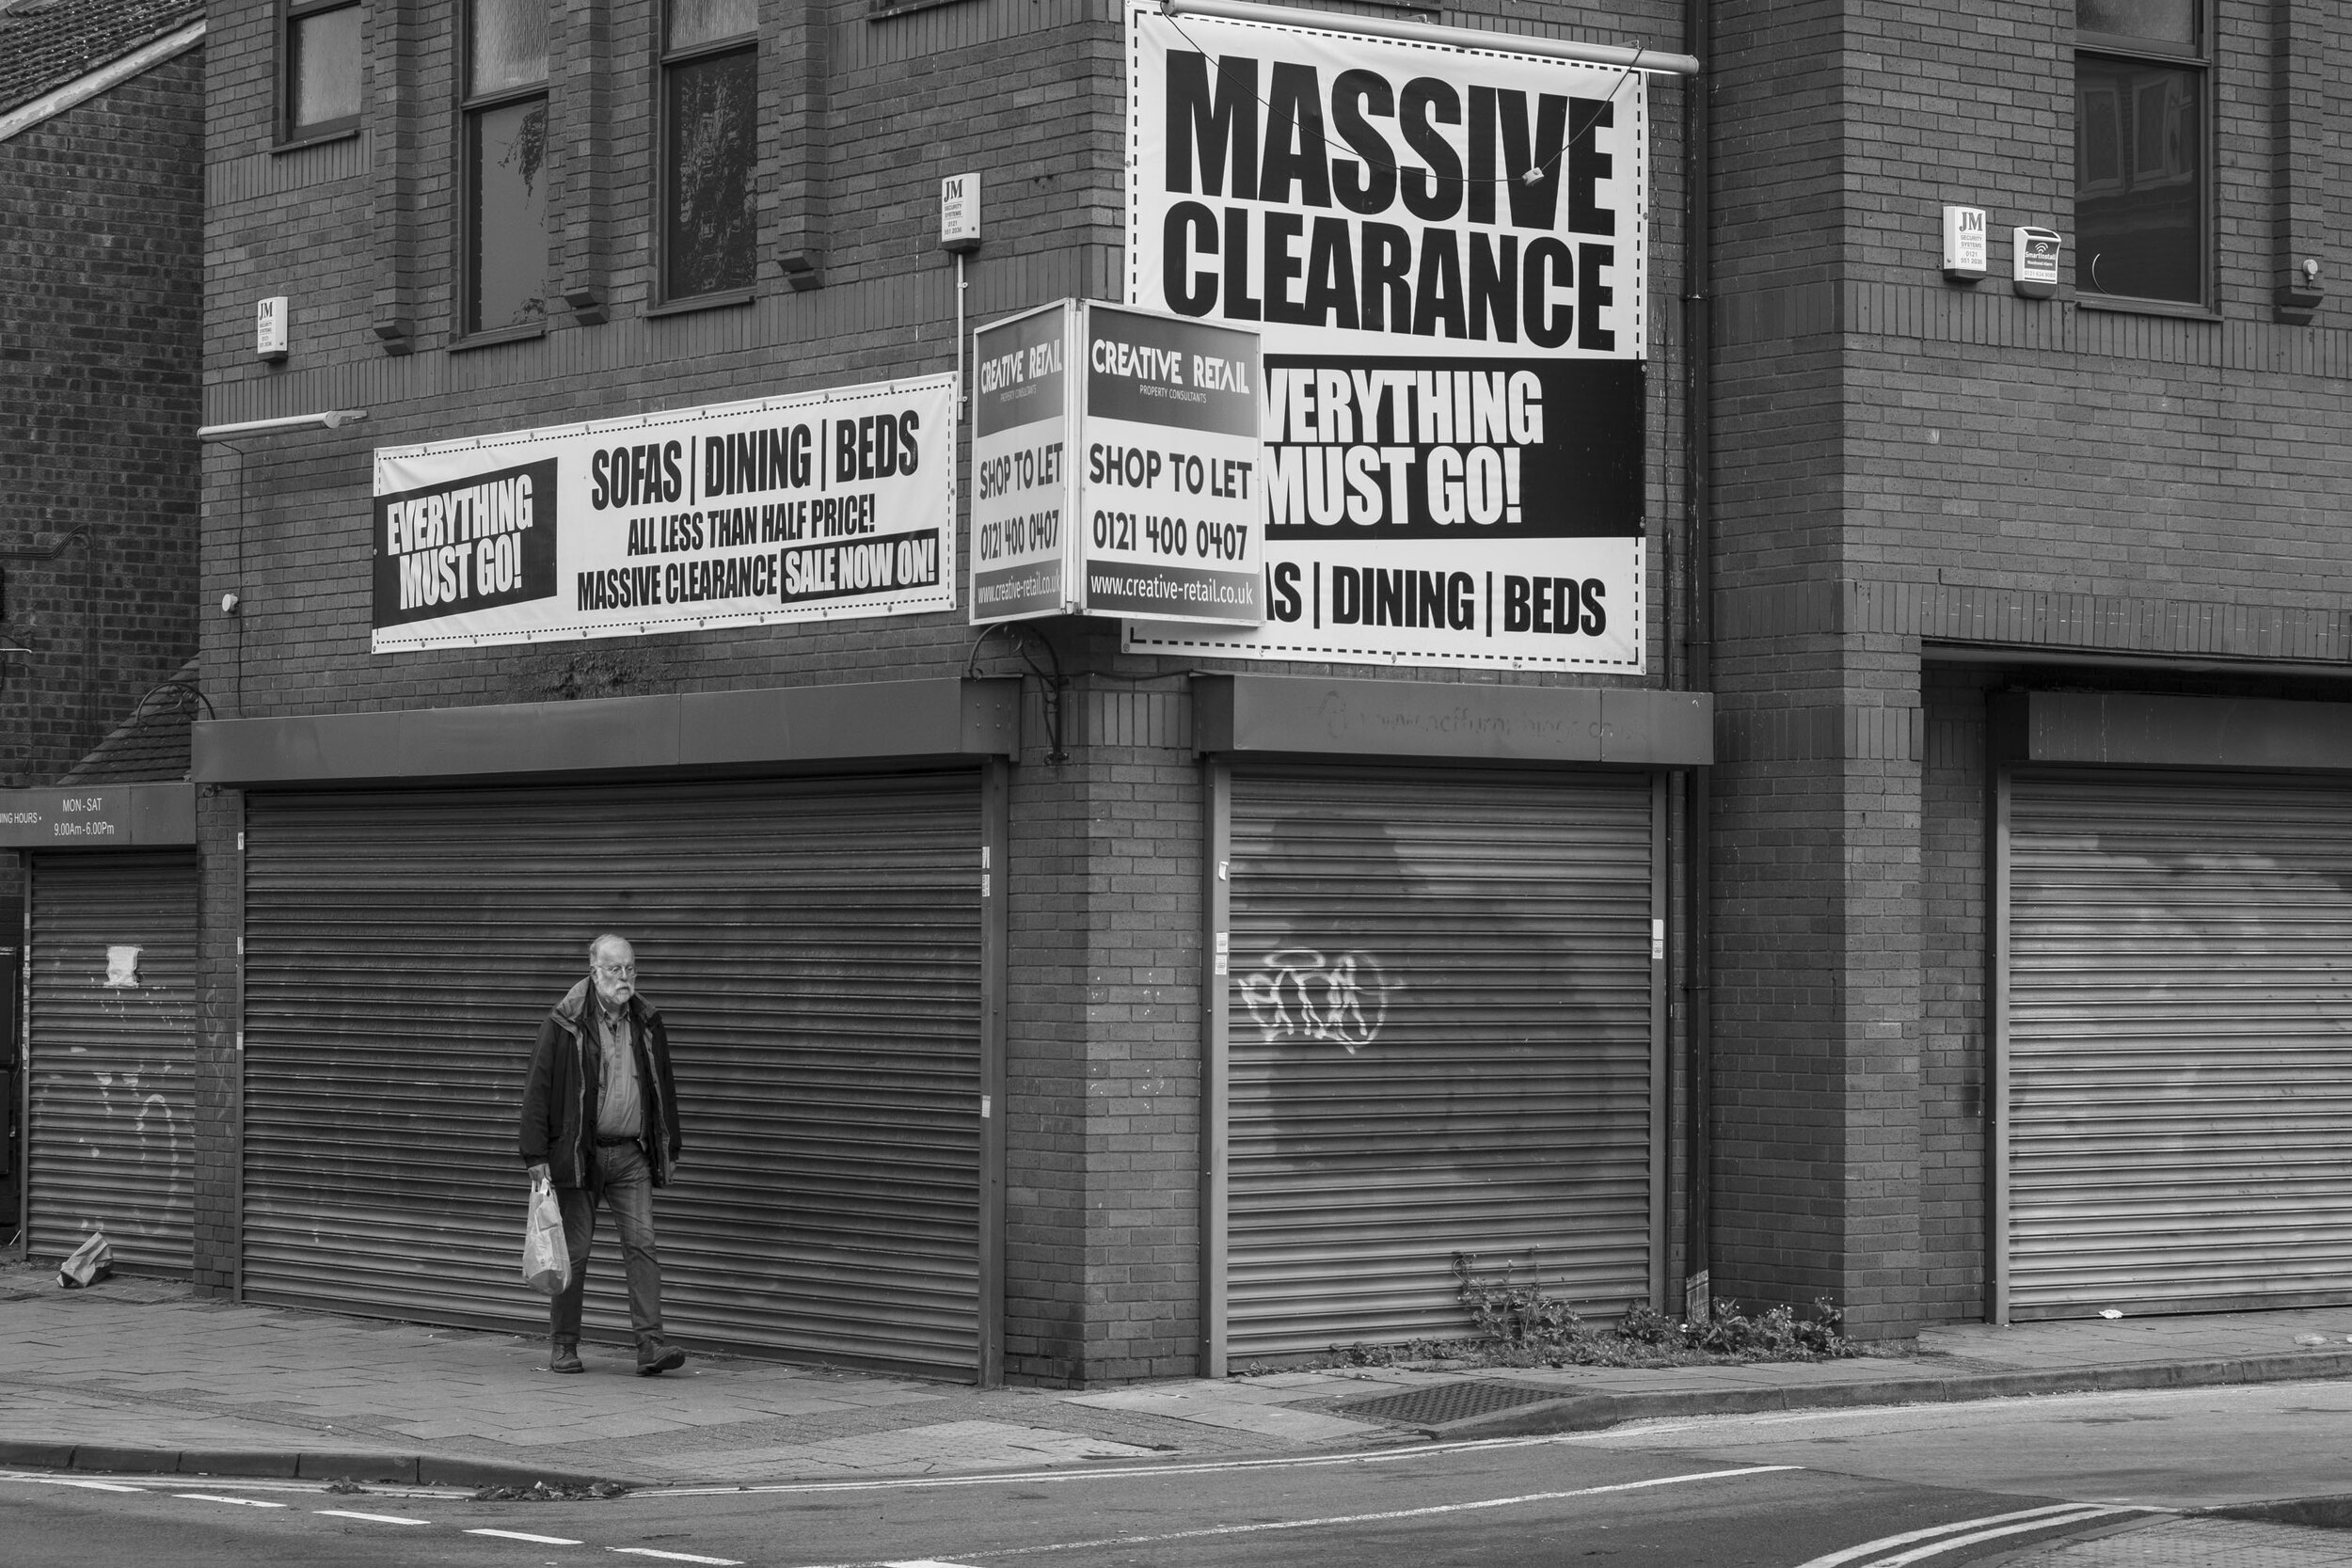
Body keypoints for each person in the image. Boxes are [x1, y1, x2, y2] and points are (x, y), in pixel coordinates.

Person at [519, 934, 687, 1375]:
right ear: (593, 970)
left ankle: (651, 1345)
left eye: (631, 968)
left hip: (631, 1153)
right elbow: (538, 1090)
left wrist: (670, 1141)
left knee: (643, 1245)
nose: (625, 977)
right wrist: (535, 1155)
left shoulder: (647, 1020)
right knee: (574, 1252)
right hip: (581, 1154)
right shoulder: (564, 1021)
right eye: (615, 969)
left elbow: (662, 1087)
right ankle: (564, 1345)